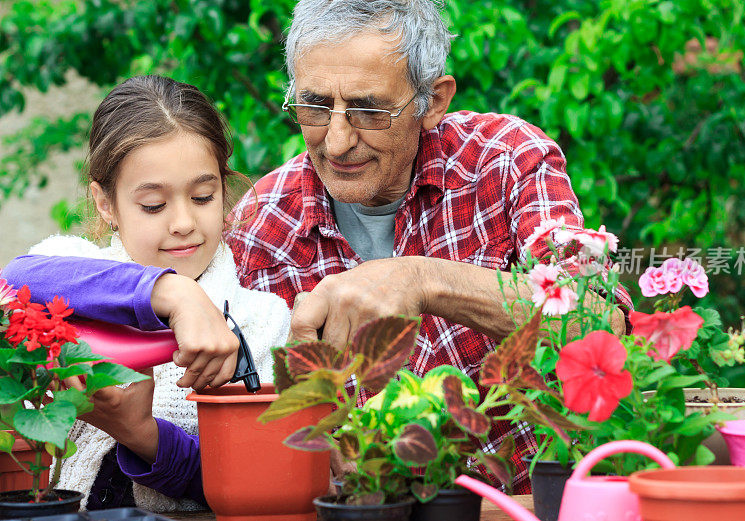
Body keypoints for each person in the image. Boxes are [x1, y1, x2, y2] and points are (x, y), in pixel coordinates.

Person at [5, 0, 631, 493]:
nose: (335, 141)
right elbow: (249, 458)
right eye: (313, 105)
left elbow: (601, 315)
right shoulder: (262, 226)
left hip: (532, 502)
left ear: (432, 100)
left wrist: (418, 279)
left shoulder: (505, 160)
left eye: (367, 109)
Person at [3, 75, 290, 511]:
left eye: (203, 196)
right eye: (153, 205)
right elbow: (18, 278)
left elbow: (252, 481)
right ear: (105, 204)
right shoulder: (75, 267)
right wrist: (171, 293)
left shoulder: (262, 322)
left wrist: (140, 433)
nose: (182, 223)